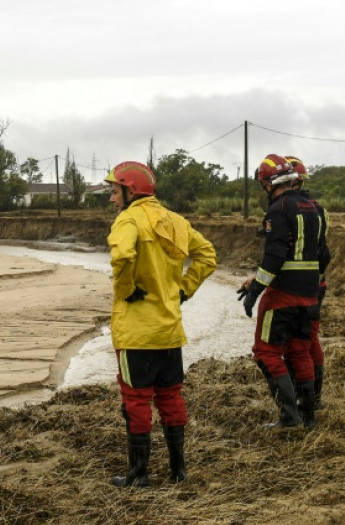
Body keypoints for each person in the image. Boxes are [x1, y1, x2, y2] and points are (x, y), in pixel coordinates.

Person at [105, 161, 216, 487]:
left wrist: (125, 289)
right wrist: (184, 288)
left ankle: (139, 474)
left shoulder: (127, 220)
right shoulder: (176, 221)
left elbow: (122, 256)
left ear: (130, 190)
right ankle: (178, 471)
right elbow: (208, 255)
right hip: (169, 330)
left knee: (136, 400)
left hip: (136, 333)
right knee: (170, 397)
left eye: (114, 192)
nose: (112, 199)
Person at [239, 154, 321, 430]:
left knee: (266, 352)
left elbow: (274, 256)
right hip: (310, 293)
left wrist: (256, 291)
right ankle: (308, 416)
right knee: (300, 352)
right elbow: (324, 255)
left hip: (283, 294)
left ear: (268, 183)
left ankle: (288, 417)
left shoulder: (278, 210)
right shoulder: (314, 207)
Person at [285, 156, 331, 411]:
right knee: (306, 339)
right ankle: (309, 398)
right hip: (313, 281)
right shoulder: (314, 208)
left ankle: (309, 400)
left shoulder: (303, 209)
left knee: (304, 340)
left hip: (306, 284)